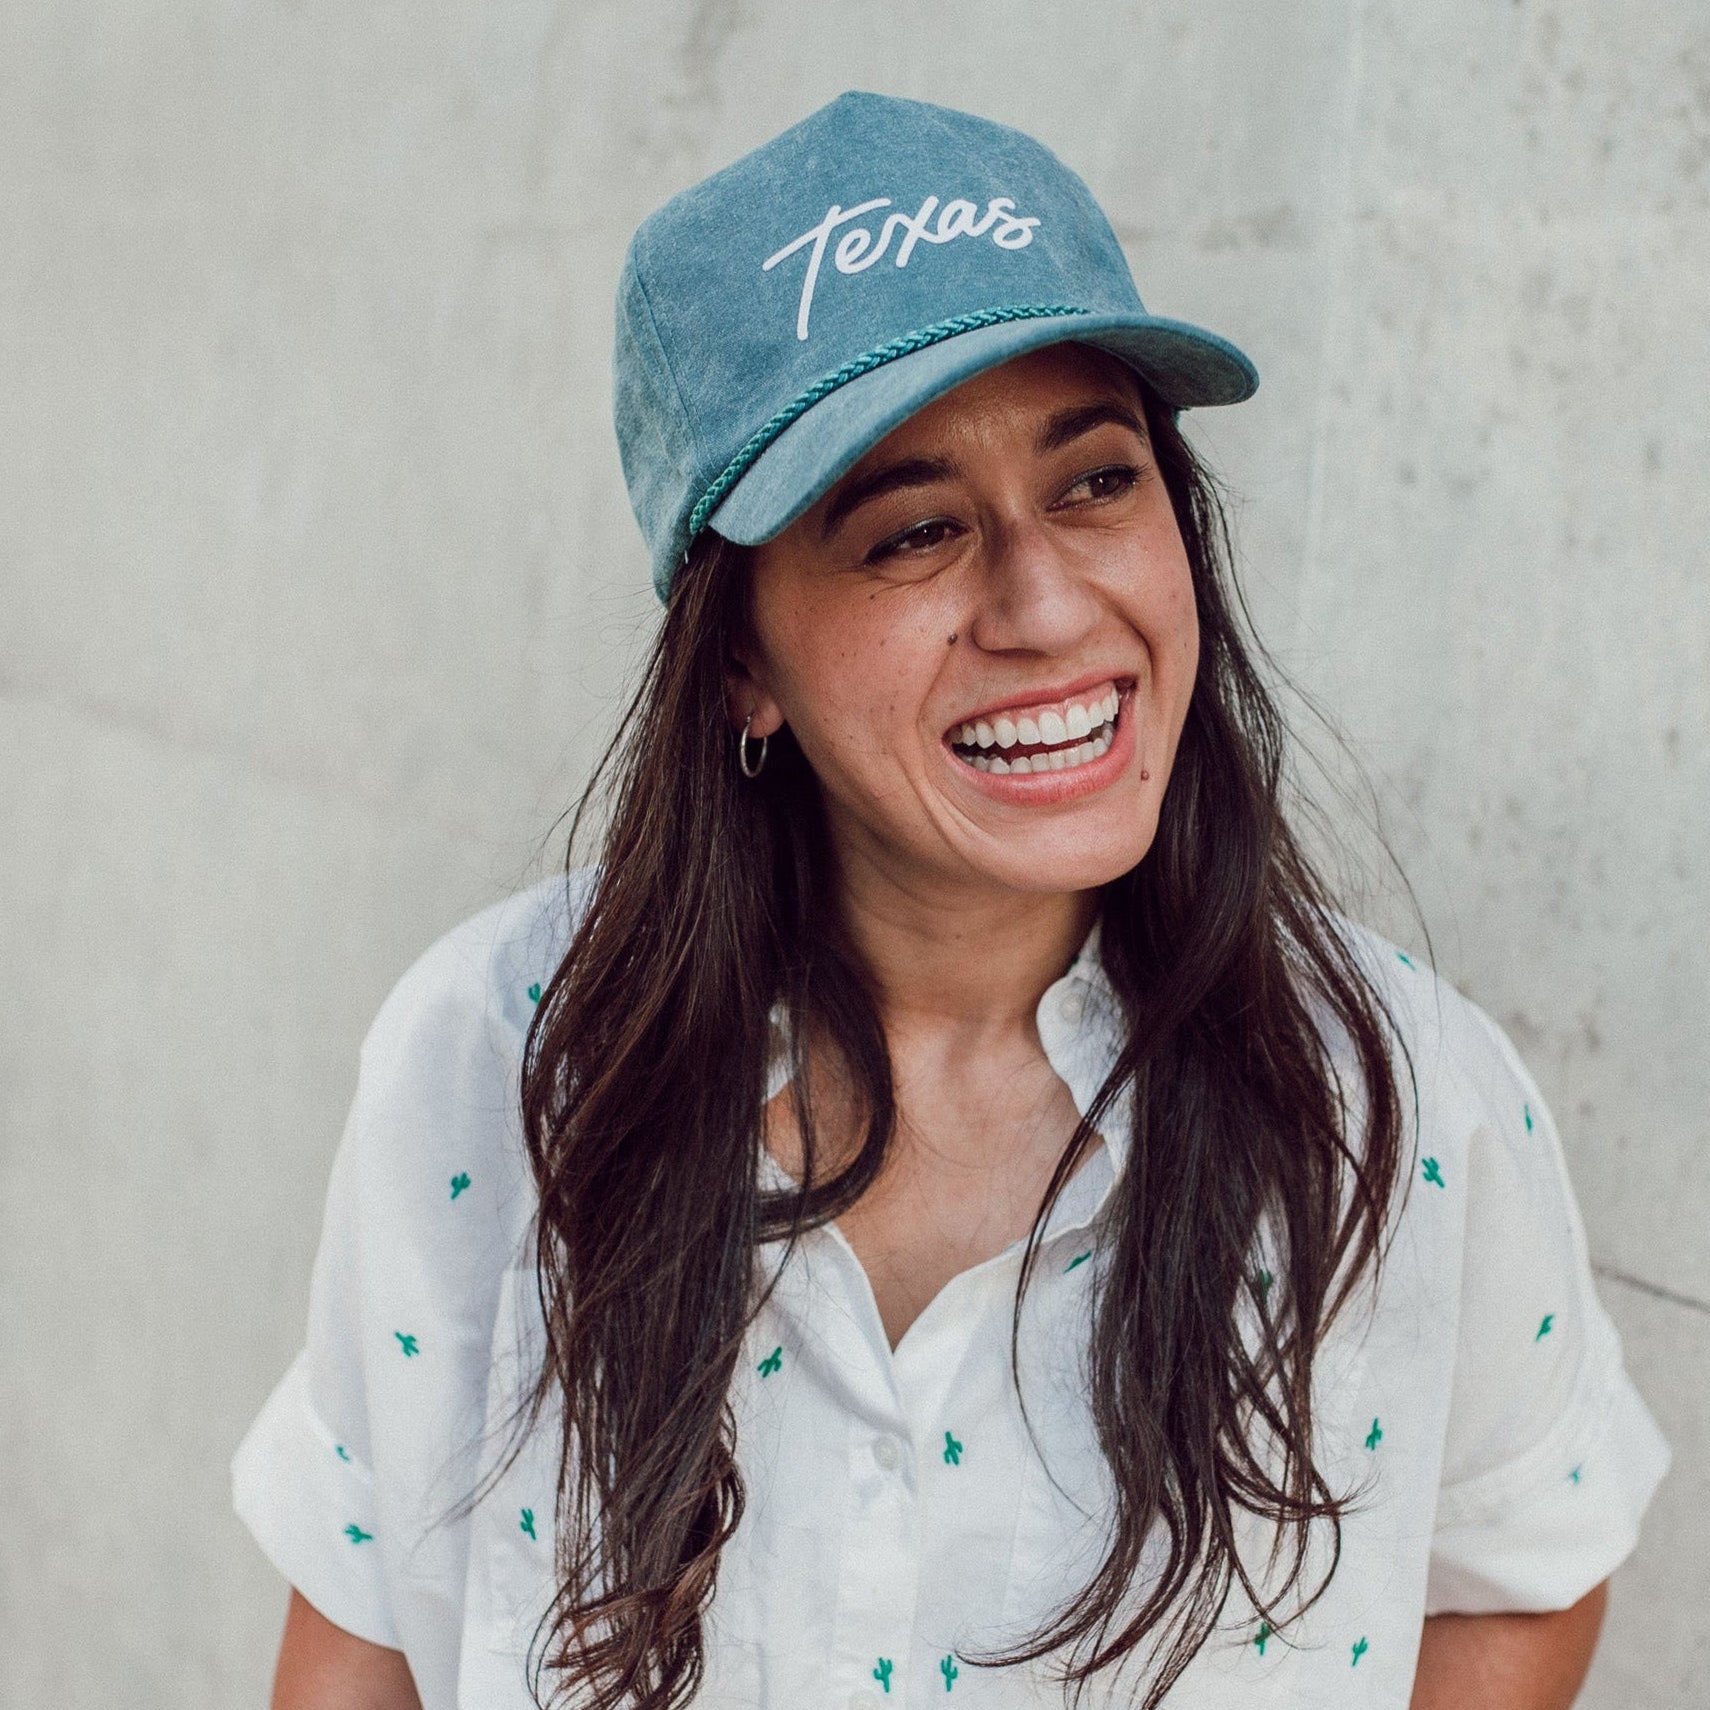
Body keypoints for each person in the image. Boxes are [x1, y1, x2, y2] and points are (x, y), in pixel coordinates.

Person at [234, 92, 1670, 1710]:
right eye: (914, 531)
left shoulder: (1393, 1100)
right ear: (739, 661)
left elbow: (1518, 1571)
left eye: (1094, 482)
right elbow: (360, 1629)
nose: (1049, 602)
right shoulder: (496, 1059)